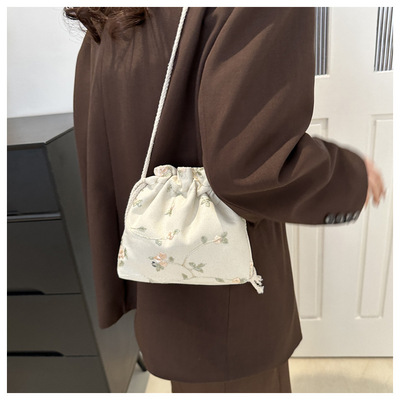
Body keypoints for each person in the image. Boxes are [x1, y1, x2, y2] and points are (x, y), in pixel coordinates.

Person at [65, 7, 386, 393]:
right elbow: (252, 162)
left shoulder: (114, 12)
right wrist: (348, 177)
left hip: (163, 277)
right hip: (225, 304)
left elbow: (101, 134)